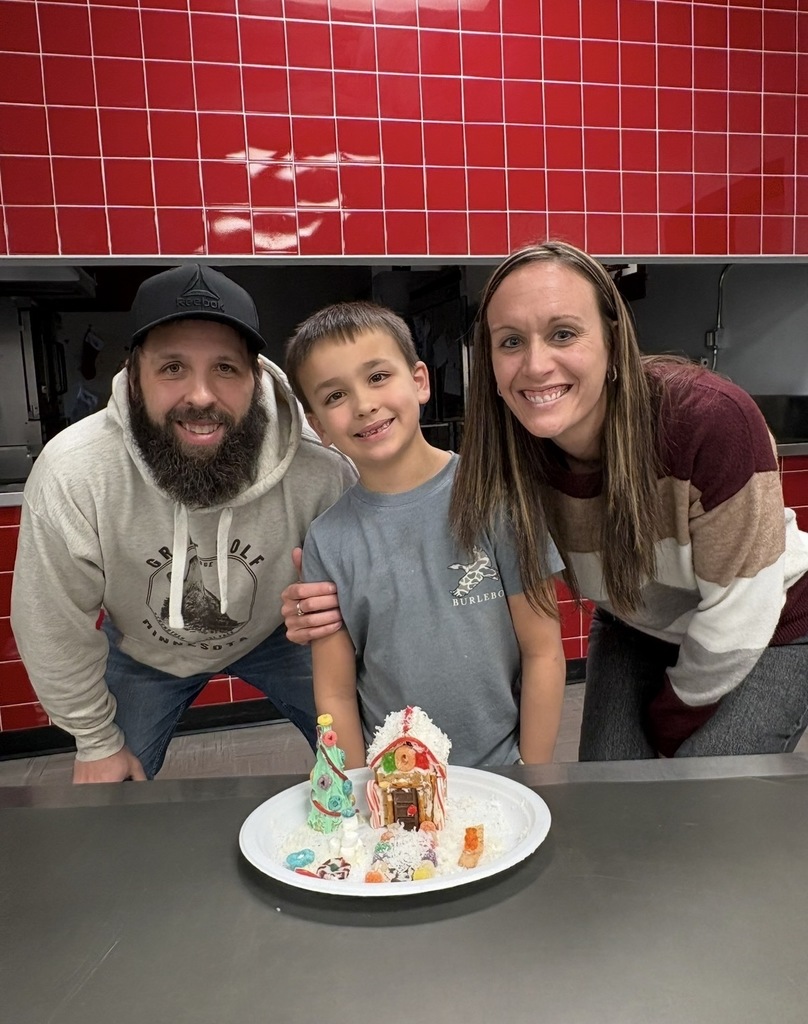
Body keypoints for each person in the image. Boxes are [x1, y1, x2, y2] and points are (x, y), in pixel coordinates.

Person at [450, 239, 808, 759]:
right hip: (637, 621)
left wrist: (667, 721)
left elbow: (740, 614)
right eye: (510, 342)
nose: (535, 364)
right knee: (609, 789)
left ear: (613, 340)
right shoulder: (503, 458)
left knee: (698, 792)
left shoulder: (709, 422)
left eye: (563, 333)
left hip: (772, 620)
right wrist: (339, 601)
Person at [11, 264, 355, 783]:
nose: (200, 396)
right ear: (134, 376)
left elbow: (364, 594)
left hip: (280, 637)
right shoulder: (74, 473)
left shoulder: (320, 470)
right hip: (147, 649)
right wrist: (95, 740)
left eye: (225, 368)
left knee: (369, 760)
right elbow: (52, 625)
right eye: (172, 367)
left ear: (256, 377)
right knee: (107, 792)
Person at [283, 301, 566, 767]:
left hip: (503, 771)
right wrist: (360, 789)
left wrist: (533, 774)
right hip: (392, 780)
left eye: (378, 377)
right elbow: (335, 692)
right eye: (334, 396)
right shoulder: (327, 541)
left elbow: (543, 652)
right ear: (319, 426)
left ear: (419, 381)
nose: (364, 405)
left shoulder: (497, 495)